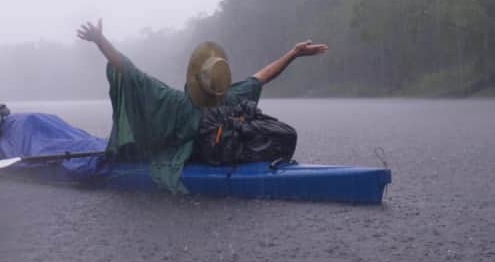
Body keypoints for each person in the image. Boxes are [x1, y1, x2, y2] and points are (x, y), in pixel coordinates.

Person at [76, 19, 327, 192]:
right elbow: (263, 76)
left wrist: (100, 41)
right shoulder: (230, 96)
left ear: (194, 79)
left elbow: (129, 71)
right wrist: (293, 54)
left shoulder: (175, 102)